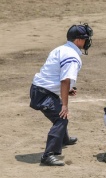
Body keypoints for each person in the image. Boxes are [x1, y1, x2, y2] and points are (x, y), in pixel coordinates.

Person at [29, 23, 93, 166]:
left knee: (58, 113)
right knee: (61, 118)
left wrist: (66, 91)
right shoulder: (71, 56)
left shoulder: (60, 49)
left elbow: (53, 73)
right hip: (43, 94)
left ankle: (64, 138)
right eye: (85, 39)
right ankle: (48, 155)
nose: (87, 41)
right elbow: (65, 80)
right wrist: (65, 104)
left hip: (39, 89)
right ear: (77, 40)